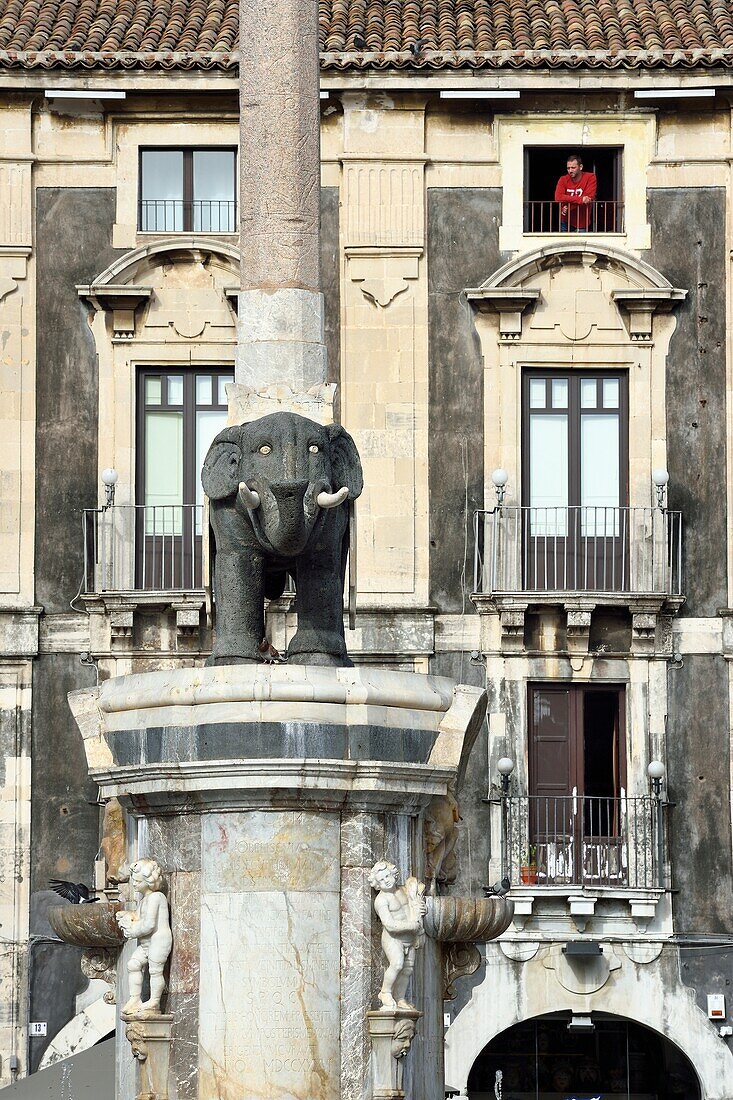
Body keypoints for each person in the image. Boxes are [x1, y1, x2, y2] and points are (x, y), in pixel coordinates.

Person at [116, 858, 172, 1016]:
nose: (133, 884)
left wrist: (132, 931)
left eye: (137, 881)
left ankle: (154, 1001)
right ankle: (135, 998)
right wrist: (127, 917)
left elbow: (148, 925)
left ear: (148, 881)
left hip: (158, 940)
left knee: (155, 971)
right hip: (146, 942)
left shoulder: (157, 897)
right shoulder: (144, 900)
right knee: (133, 964)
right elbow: (140, 918)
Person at [368, 860, 426, 1010]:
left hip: (410, 937)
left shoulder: (404, 891)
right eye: (381, 880)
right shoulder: (381, 900)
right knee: (397, 964)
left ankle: (400, 997)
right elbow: (389, 925)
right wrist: (412, 926)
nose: (386, 881)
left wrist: (422, 909)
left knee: (408, 969)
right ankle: (385, 992)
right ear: (377, 884)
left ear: (393, 874)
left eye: (387, 876)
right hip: (393, 939)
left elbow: (414, 906)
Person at [555, 153, 597, 231]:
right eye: (568, 168)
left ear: (580, 167)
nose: (570, 171)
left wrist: (568, 206)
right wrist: (580, 199)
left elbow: (588, 198)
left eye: (573, 168)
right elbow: (558, 197)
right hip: (565, 220)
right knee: (564, 243)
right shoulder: (563, 179)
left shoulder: (590, 177)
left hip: (582, 222)